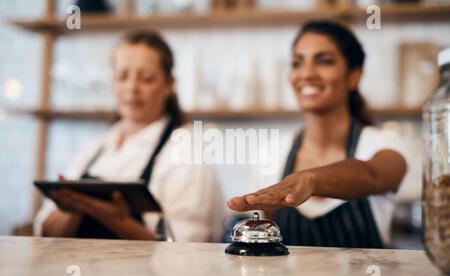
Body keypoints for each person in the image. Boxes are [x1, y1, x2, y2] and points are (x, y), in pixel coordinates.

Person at [227, 21, 411, 248]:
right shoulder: (273, 154)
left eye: (324, 61)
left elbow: (371, 175)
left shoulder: (382, 143)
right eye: (297, 63)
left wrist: (309, 179)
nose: (306, 73)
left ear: (353, 76)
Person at [34, 30, 225, 242]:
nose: (132, 88)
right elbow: (45, 233)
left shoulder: (187, 155)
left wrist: (118, 221)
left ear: (169, 84)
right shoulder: (93, 149)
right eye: (122, 76)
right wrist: (74, 208)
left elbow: (187, 251)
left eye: (146, 78)